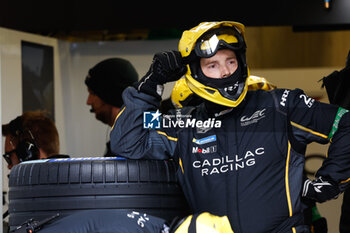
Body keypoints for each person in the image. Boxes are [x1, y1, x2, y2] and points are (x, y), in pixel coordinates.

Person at [110, 21, 350, 232]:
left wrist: (330, 180)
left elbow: (345, 122)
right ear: (195, 71)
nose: (225, 71)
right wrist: (152, 82)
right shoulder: (183, 121)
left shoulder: (282, 105)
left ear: (242, 61)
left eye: (231, 61)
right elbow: (127, 139)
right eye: (212, 65)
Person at [85, 58, 139, 156]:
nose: (88, 102)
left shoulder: (132, 148)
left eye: (92, 94)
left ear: (111, 96)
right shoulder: (127, 141)